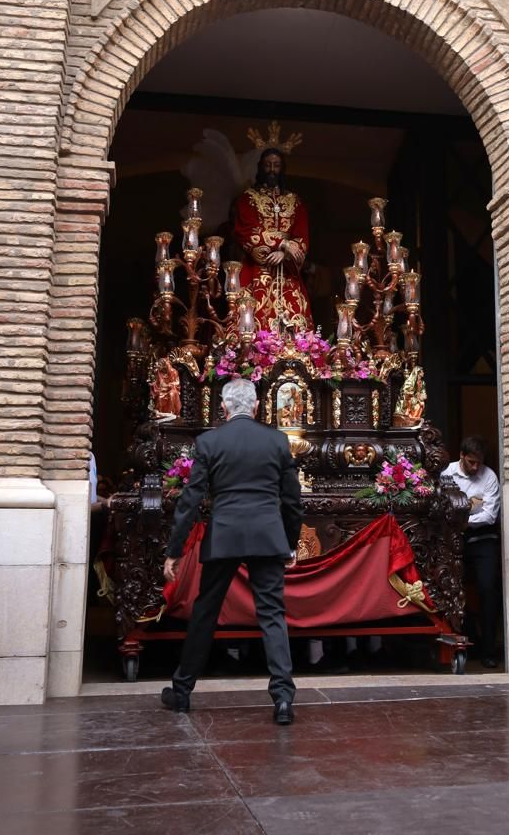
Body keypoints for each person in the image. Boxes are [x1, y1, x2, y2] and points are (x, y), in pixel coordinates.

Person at [161, 378, 303, 723]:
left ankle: (182, 692)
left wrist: (175, 550)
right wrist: (290, 541)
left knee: (206, 612)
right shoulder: (277, 440)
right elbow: (292, 500)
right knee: (271, 613)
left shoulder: (210, 441)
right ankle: (283, 697)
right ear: (256, 407)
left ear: (223, 408)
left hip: (224, 536)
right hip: (267, 537)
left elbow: (190, 500)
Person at [232, 146, 312, 331]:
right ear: (260, 167)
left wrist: (286, 255)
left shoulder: (295, 201)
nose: (272, 170)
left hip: (287, 270)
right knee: (251, 316)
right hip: (256, 269)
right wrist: (281, 243)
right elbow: (246, 230)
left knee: (296, 313)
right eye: (268, 165)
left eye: (276, 165)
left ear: (282, 168)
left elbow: (302, 236)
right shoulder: (247, 199)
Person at [441, 435, 501, 668]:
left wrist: (462, 516)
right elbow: (444, 508)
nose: (476, 467)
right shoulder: (446, 473)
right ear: (462, 456)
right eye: (471, 462)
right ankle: (463, 641)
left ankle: (488, 650)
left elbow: (490, 515)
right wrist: (472, 505)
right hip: (454, 540)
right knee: (450, 589)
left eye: (479, 462)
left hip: (484, 540)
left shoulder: (489, 477)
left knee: (488, 589)